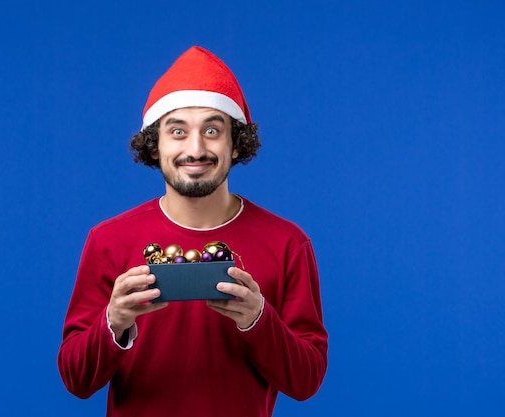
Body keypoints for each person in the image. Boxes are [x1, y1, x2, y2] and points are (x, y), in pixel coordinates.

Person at [58, 46, 328, 417]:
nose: (196, 148)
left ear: (236, 144)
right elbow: (76, 380)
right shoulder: (108, 241)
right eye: (178, 131)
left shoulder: (287, 243)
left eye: (213, 130)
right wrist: (114, 321)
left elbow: (306, 382)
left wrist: (258, 319)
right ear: (155, 147)